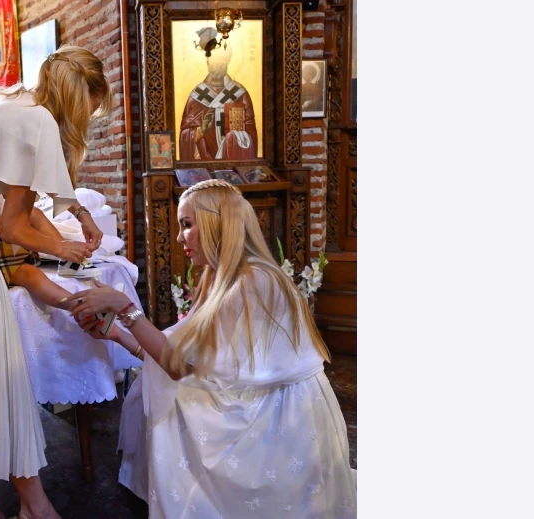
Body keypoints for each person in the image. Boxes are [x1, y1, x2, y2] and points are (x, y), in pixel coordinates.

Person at [69, 179, 357, 518]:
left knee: (177, 401)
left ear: (218, 223)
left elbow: (177, 367)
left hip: (279, 415)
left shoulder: (254, 281)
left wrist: (124, 307)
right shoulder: (218, 277)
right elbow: (179, 356)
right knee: (164, 389)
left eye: (187, 225)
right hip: (256, 396)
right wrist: (116, 333)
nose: (180, 238)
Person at [0, 44, 112, 519]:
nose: (90, 120)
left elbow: (30, 196)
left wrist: (80, 216)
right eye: (92, 109)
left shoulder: (15, 102)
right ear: (80, 100)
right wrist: (65, 250)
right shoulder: (38, 122)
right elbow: (16, 227)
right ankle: (33, 507)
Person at [179, 27, 258, 161]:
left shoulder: (240, 94)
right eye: (214, 62)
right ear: (207, 62)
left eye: (221, 62)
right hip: (205, 164)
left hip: (232, 162)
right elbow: (184, 135)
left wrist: (236, 138)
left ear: (227, 63)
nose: (217, 66)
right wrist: (200, 131)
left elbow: (251, 134)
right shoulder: (196, 96)